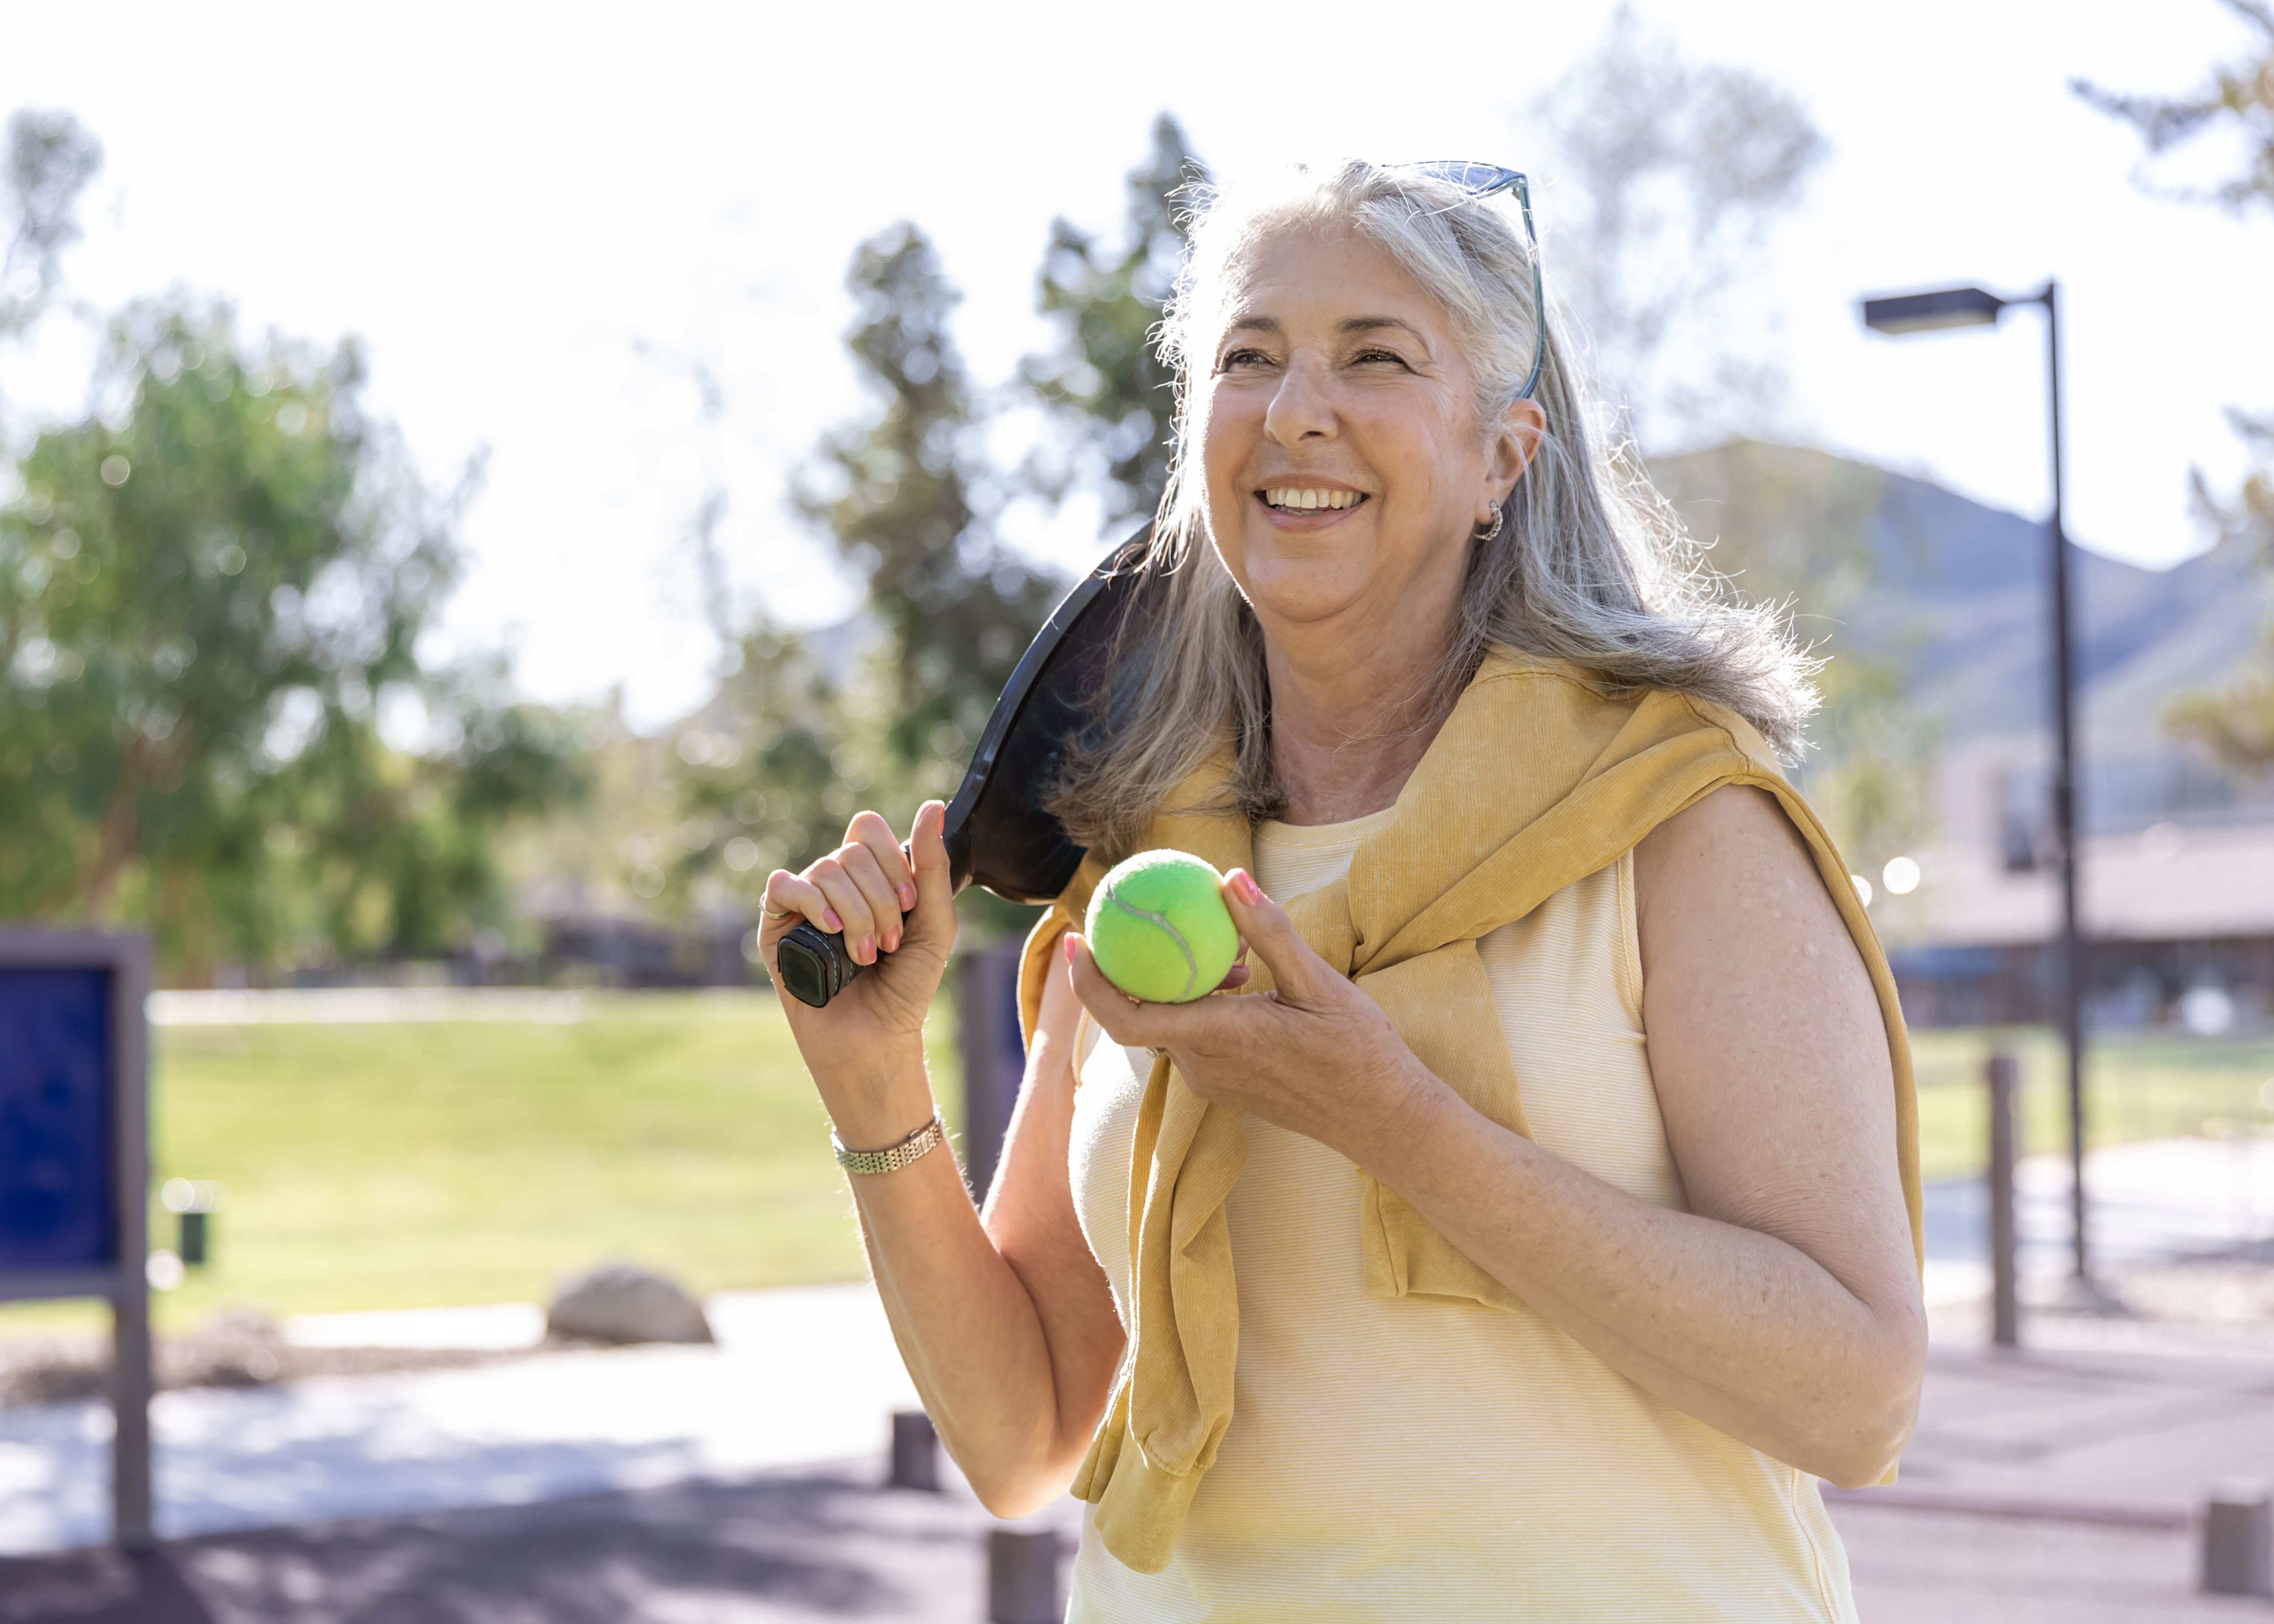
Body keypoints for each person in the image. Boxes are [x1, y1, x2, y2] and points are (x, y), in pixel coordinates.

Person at [759, 159, 1922, 1621]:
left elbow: (1855, 1398)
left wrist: (1398, 1121)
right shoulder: (1139, 859)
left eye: (1375, 356)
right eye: (1248, 359)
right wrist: (874, 1091)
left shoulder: (1677, 822)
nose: (1295, 409)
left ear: (1505, 454)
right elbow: (1023, 1441)